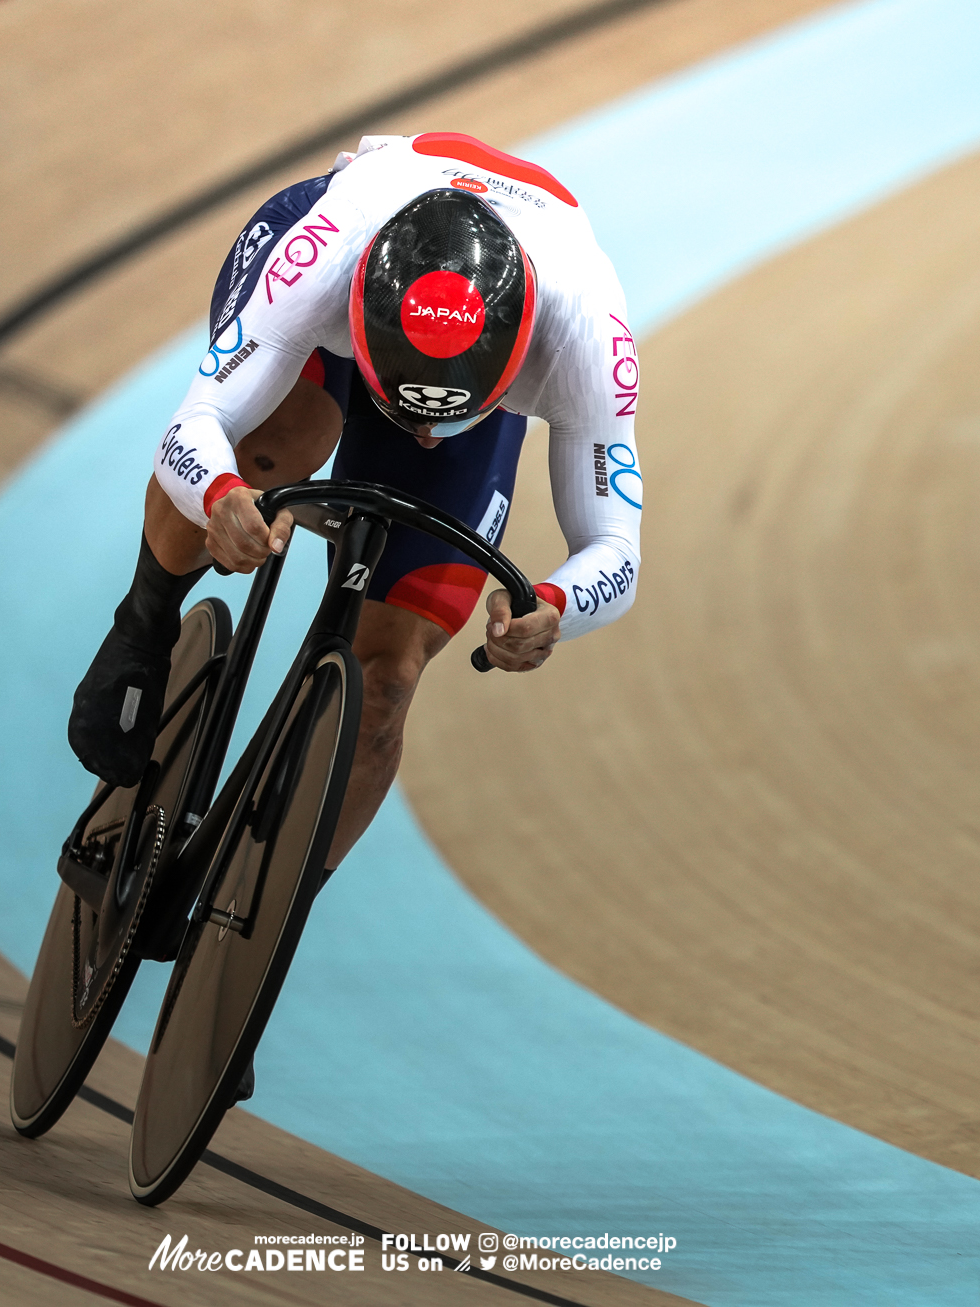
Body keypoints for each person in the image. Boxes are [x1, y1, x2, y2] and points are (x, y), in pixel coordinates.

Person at [70, 131, 643, 879]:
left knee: (393, 672)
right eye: (417, 418)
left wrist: (554, 606)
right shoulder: (323, 259)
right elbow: (198, 422)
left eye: (450, 418)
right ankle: (142, 623)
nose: (427, 441)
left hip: (463, 331)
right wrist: (222, 494)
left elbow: (616, 548)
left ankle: (268, 912)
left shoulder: (586, 338)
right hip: (332, 286)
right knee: (282, 441)